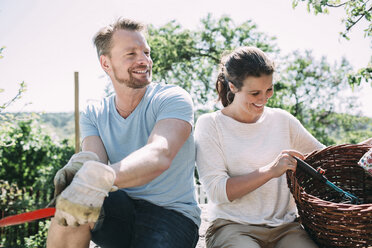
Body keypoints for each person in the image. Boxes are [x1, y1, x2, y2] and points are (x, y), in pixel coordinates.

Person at [47, 18, 200, 248]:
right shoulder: (94, 113)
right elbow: (94, 159)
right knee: (70, 212)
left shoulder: (172, 98)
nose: (144, 60)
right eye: (131, 54)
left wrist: (98, 177)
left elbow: (159, 154)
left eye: (146, 52)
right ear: (106, 64)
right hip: (121, 210)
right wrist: (80, 170)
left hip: (172, 217)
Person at [194, 46, 325, 248]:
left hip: (285, 228)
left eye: (269, 89)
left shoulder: (283, 120)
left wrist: (363, 148)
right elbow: (217, 192)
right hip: (232, 227)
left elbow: (325, 157)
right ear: (233, 87)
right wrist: (270, 171)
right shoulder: (210, 125)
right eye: (255, 92)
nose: (263, 99)